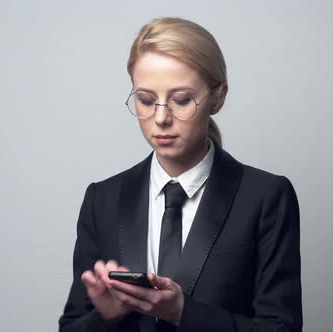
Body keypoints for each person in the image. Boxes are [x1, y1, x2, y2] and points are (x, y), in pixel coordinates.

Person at [58, 17, 302, 332]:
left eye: (181, 99)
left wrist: (183, 311)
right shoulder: (102, 199)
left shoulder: (266, 197)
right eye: (146, 100)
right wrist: (108, 316)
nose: (160, 118)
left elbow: (282, 328)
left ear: (218, 96)